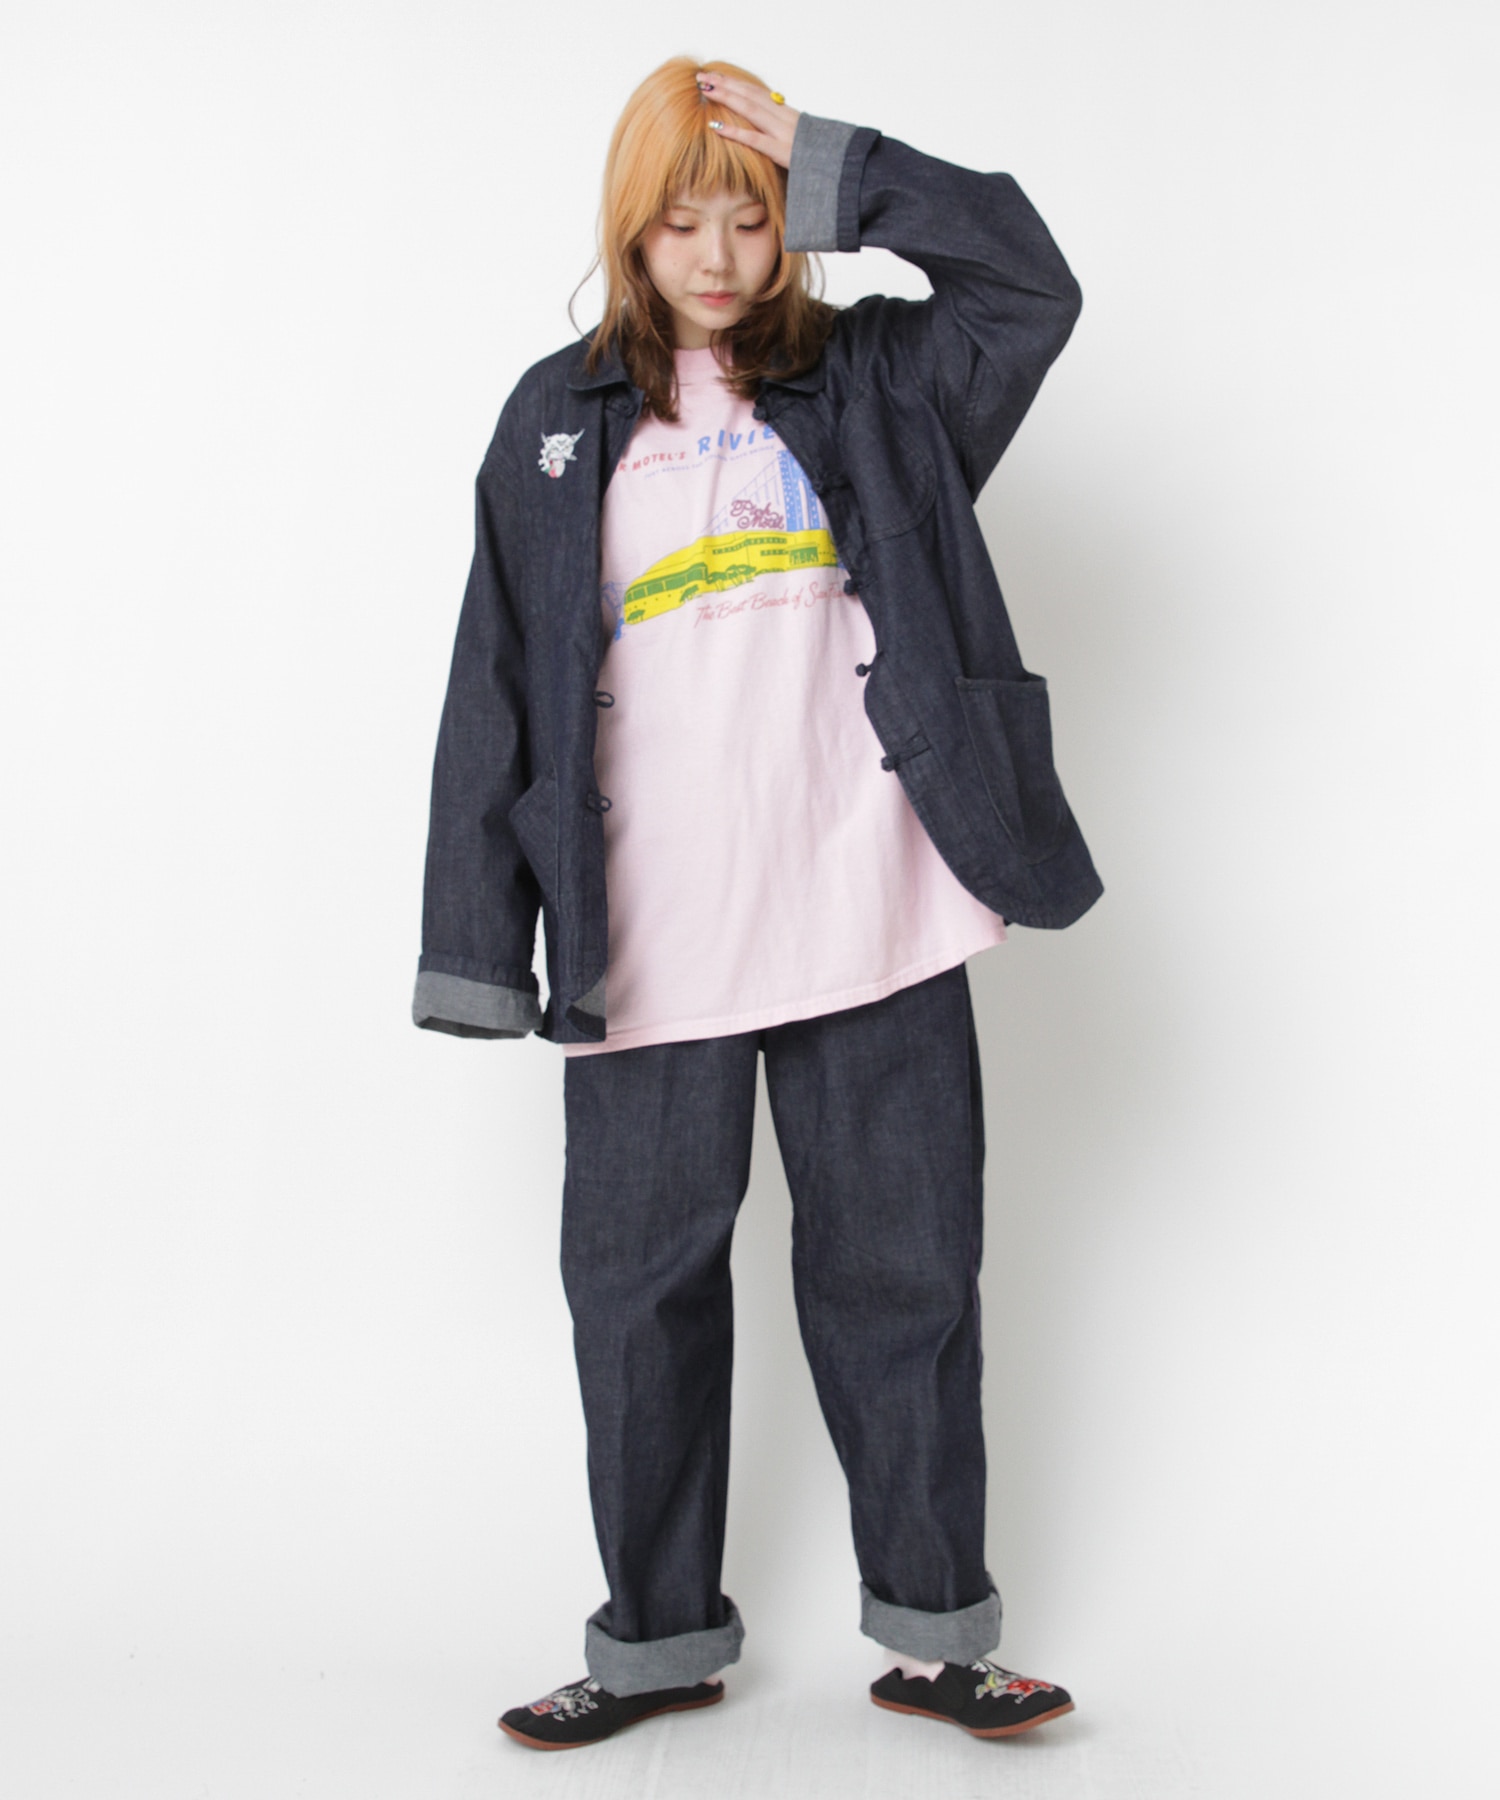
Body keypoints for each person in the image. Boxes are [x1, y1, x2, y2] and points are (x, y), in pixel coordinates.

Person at [412, 56, 1101, 1751]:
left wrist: (843, 165)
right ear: (628, 231)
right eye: (681, 220)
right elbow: (495, 681)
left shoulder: (880, 380)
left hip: (876, 905)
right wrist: (478, 945)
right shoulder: (556, 421)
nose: (718, 256)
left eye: (750, 216)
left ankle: (938, 1636)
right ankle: (654, 1646)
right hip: (653, 934)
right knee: (638, 1302)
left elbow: (1030, 283)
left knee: (907, 1281)